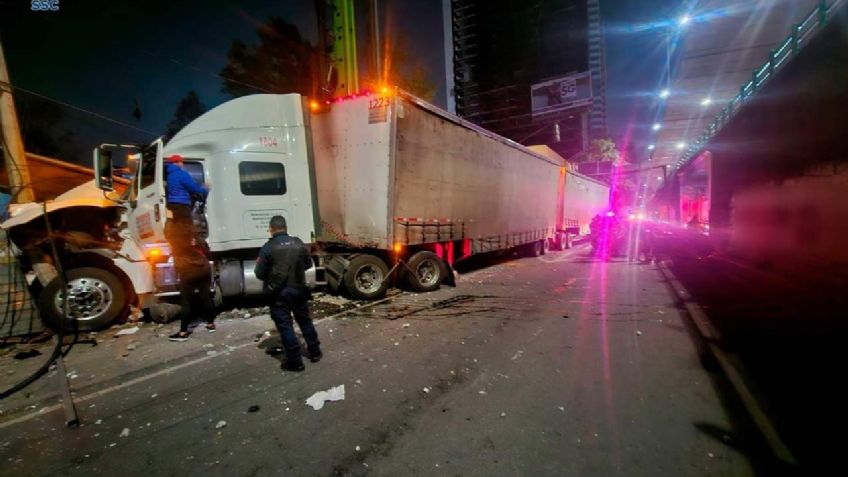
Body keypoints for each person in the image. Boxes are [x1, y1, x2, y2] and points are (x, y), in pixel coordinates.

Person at [254, 215, 322, 372]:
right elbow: (308, 263)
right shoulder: (298, 243)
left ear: (271, 229)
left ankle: (295, 362)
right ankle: (315, 352)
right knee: (305, 321)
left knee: (285, 326)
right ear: (286, 228)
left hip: (279, 294)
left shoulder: (268, 247)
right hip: (299, 290)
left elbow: (259, 273)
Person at [168, 227, 217, 341]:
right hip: (203, 268)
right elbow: (206, 250)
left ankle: (183, 332)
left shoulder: (176, 241)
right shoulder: (195, 237)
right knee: (206, 297)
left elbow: (176, 262)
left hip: (188, 271)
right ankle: (211, 324)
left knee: (186, 302)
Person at [165, 154, 208, 238]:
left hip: (172, 204)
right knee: (187, 226)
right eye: (181, 162)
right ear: (176, 163)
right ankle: (187, 245)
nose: (182, 164)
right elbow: (193, 188)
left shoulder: (170, 175)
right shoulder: (181, 174)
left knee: (178, 226)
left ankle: (178, 243)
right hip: (182, 204)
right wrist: (205, 188)